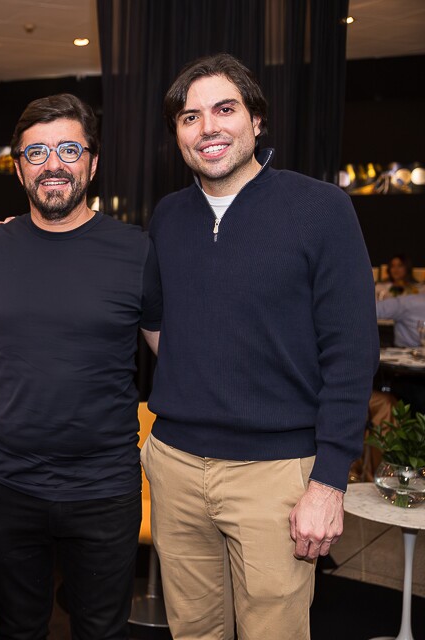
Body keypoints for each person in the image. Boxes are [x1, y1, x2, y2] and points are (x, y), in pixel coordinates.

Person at [142, 53, 379, 639]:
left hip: (276, 475)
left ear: (257, 121)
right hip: (173, 465)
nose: (208, 128)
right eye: (190, 117)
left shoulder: (322, 209)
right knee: (193, 632)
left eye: (224, 110)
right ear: (177, 134)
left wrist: (327, 481)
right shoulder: (168, 216)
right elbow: (155, 322)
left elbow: (351, 354)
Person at [0, 94, 162, 640]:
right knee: (16, 628)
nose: (52, 163)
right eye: (35, 152)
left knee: (101, 631)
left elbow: (173, 354)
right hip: (8, 483)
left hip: (104, 487)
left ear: (93, 162)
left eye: (67, 149)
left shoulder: (137, 251)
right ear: (18, 168)